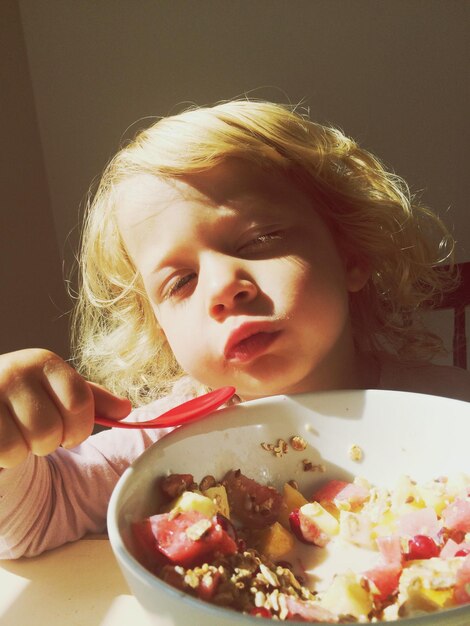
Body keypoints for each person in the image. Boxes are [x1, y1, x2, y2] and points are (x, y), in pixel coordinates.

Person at [0, 100, 469, 559]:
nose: (222, 288)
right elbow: (34, 519)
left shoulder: (450, 409)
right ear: (161, 330)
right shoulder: (154, 444)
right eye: (181, 281)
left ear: (351, 255)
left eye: (259, 240)